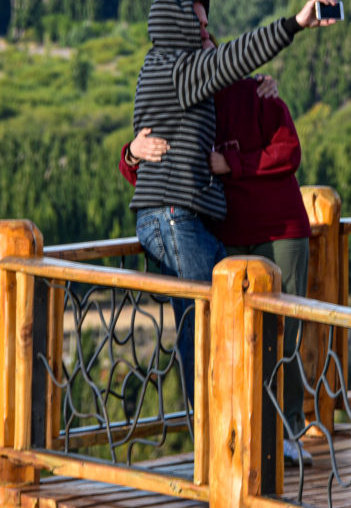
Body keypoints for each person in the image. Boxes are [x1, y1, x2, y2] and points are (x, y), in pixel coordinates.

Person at [128, 0, 338, 418]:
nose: (207, 32)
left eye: (208, 25)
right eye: (198, 24)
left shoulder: (176, 73)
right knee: (209, 325)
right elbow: (240, 52)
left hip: (194, 220)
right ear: (178, 27)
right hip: (174, 217)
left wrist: (229, 158)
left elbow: (283, 145)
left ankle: (249, 428)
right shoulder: (182, 71)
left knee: (225, 322)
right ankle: (213, 435)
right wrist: (295, 24)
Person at [121, 71, 313, 466]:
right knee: (237, 345)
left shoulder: (255, 91)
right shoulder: (177, 106)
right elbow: (148, 173)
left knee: (284, 338)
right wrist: (131, 152)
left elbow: (289, 151)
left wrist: (231, 163)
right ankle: (241, 437)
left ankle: (286, 433)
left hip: (280, 232)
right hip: (225, 240)